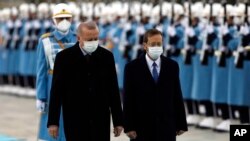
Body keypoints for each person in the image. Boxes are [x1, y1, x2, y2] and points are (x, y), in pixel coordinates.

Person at [47, 21, 123, 141]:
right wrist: (53, 122)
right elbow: (56, 92)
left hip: (100, 120)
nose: (93, 42)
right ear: (78, 38)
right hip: (75, 120)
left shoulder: (107, 57)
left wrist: (118, 121)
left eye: (96, 38)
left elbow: (113, 90)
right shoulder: (64, 58)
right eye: (89, 39)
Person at [123, 29, 187, 141]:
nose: (157, 47)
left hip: (166, 126)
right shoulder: (132, 68)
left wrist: (181, 122)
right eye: (153, 44)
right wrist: (129, 126)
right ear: (145, 45)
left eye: (159, 44)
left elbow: (177, 95)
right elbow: (128, 99)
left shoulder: (172, 66)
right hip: (141, 128)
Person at [36, 3, 77, 141]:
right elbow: (41, 71)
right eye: (60, 18)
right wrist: (40, 96)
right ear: (54, 20)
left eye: (67, 18)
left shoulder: (79, 38)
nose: (64, 21)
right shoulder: (45, 40)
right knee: (52, 121)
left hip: (74, 84)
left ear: (71, 19)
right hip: (51, 84)